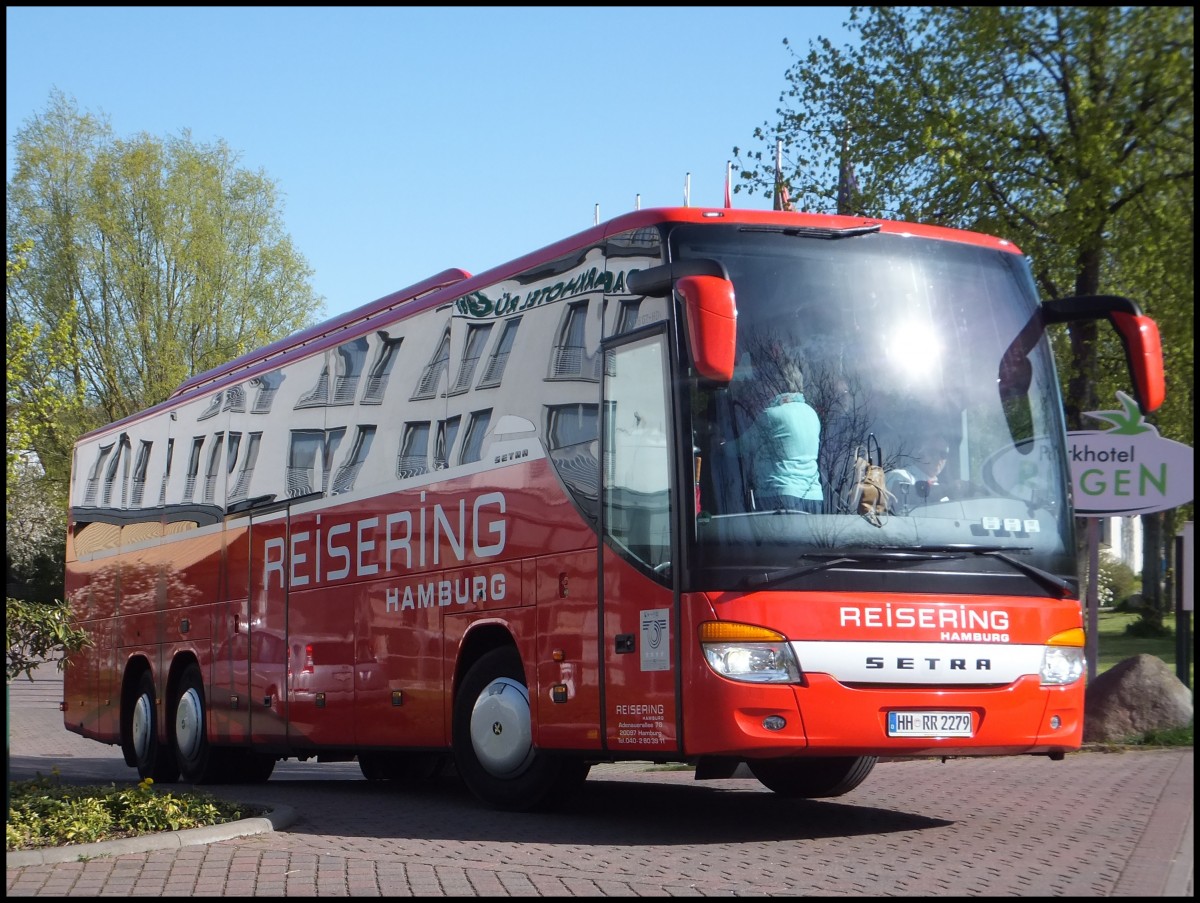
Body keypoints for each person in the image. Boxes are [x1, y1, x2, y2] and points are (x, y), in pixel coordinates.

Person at [743, 365, 824, 512]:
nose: (765, 389)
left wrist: (717, 445)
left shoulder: (771, 415)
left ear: (778, 386)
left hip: (780, 496)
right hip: (815, 499)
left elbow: (743, 446)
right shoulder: (812, 414)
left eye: (767, 384)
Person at [887, 432, 953, 508]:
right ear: (918, 454)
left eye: (943, 454)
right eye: (932, 452)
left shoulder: (944, 496)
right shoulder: (899, 477)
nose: (938, 458)